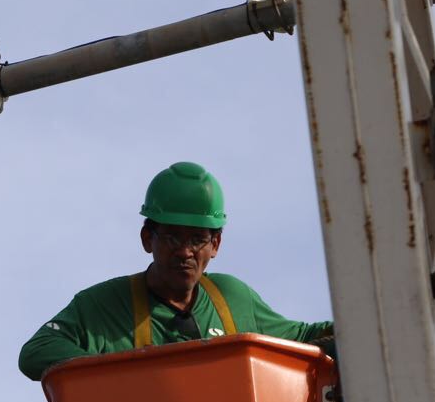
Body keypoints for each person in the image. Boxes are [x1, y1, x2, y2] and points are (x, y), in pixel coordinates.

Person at [18, 162, 333, 381]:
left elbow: (304, 339)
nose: (185, 251)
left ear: (216, 245)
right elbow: (36, 352)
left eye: (197, 239)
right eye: (172, 238)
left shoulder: (231, 299)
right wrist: (118, 377)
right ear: (147, 239)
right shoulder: (104, 306)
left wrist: (364, 332)